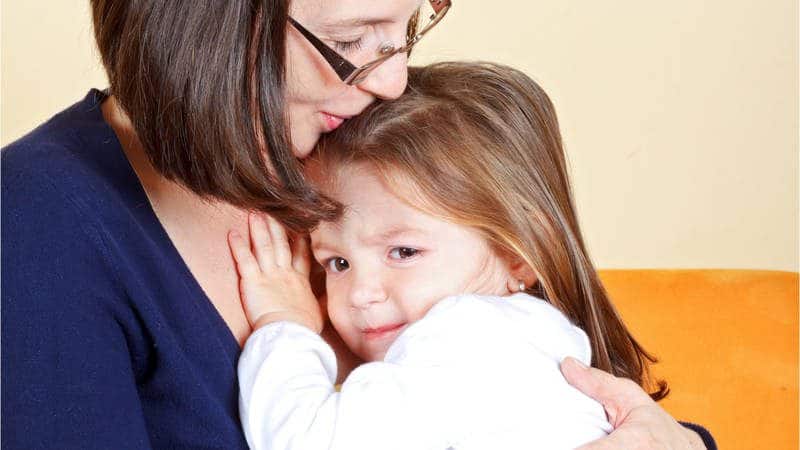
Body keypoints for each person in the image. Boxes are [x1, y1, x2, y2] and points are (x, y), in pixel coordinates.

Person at [1, 0, 712, 448]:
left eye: (409, 25)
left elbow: (570, 396)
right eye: (358, 34)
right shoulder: (39, 226)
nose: (393, 78)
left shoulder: (364, 150)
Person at [230, 62, 716, 449]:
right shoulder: (534, 336)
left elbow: (307, 442)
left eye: (403, 251)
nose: (360, 293)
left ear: (516, 256)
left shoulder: (465, 337)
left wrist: (283, 328)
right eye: (337, 263)